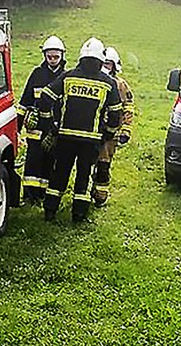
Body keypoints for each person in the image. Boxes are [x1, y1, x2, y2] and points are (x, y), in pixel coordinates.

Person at [38, 37, 122, 222]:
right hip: (91, 140)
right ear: (101, 60)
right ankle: (79, 214)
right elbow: (116, 113)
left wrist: (49, 125)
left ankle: (50, 211)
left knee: (59, 173)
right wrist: (108, 133)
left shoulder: (68, 76)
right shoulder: (108, 83)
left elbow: (45, 97)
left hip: (65, 137)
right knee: (84, 177)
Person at [16, 36, 67, 203]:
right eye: (49, 56)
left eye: (56, 57)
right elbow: (24, 101)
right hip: (35, 128)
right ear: (44, 55)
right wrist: (17, 127)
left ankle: (45, 194)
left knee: (50, 161)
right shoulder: (37, 74)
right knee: (32, 161)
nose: (52, 60)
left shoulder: (66, 77)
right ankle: (30, 195)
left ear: (62, 56)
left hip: (54, 128)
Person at [91, 47, 134, 207]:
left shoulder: (120, 85)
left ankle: (100, 195)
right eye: (103, 63)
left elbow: (128, 107)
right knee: (87, 164)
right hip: (92, 131)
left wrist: (125, 130)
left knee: (103, 164)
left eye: (108, 64)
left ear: (114, 66)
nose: (104, 68)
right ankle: (86, 191)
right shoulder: (92, 80)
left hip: (110, 134)